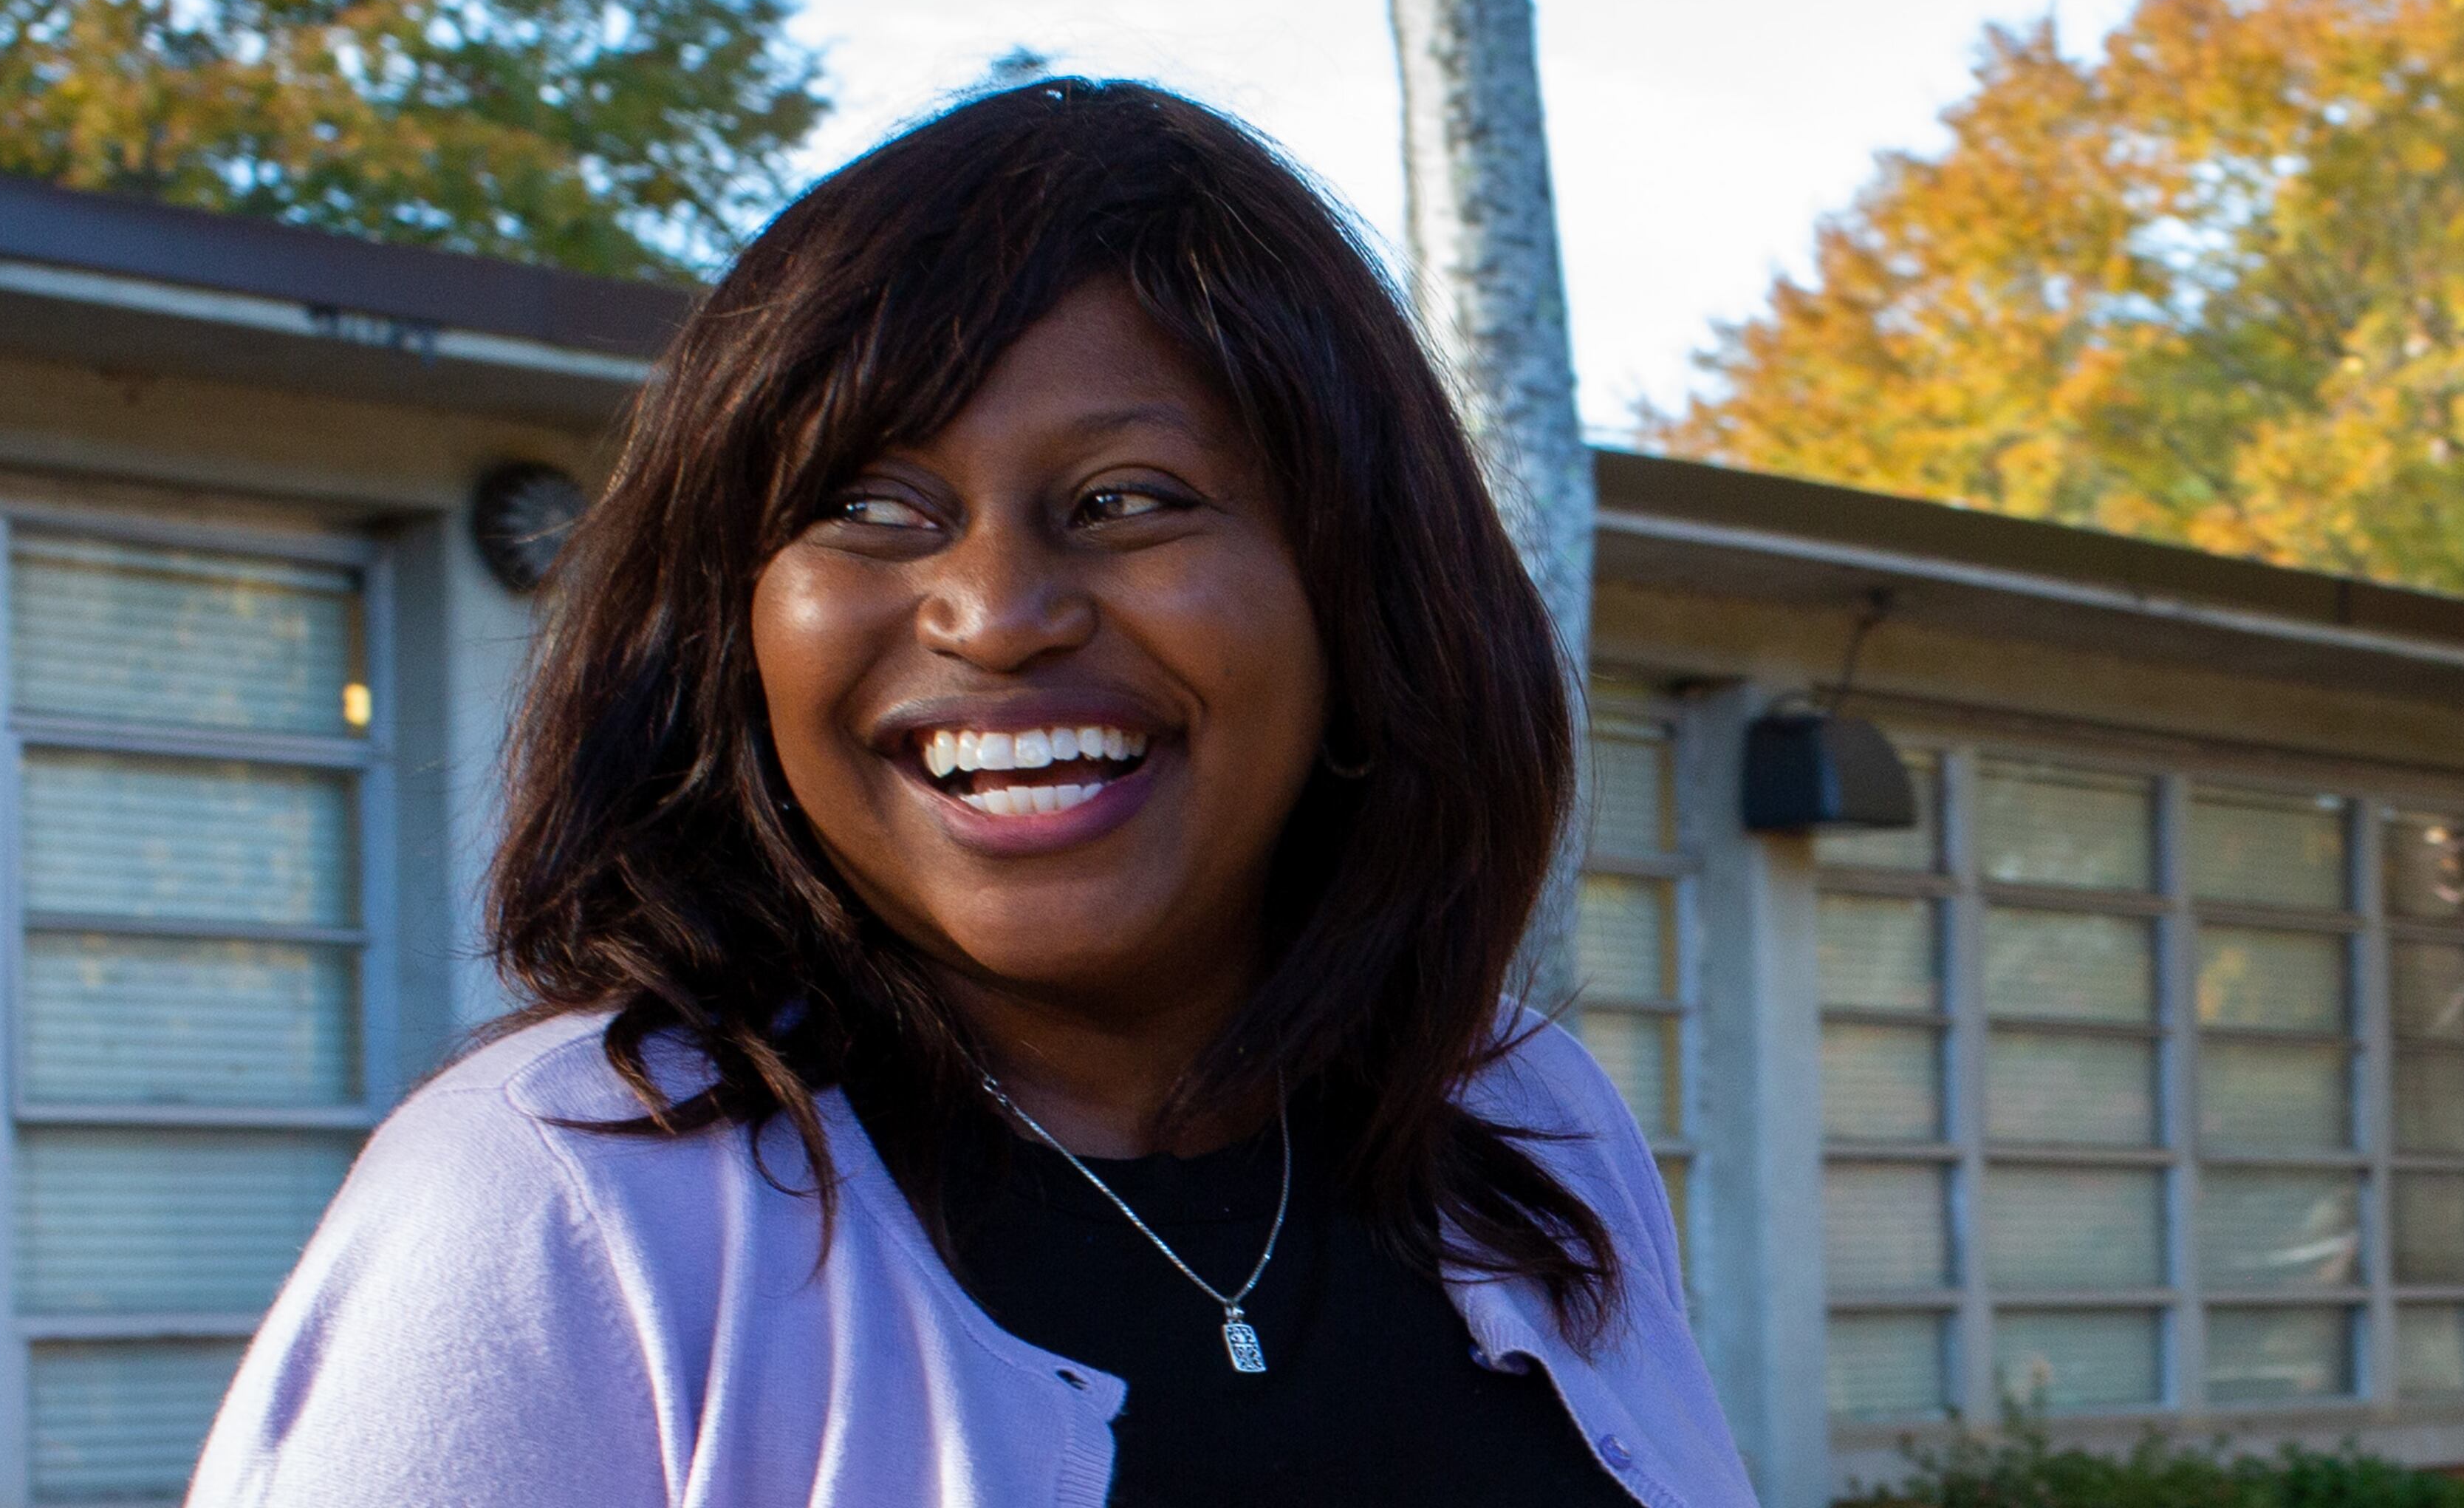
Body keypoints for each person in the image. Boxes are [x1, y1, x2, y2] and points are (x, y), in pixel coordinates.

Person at [187, 78, 1756, 1508]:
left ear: (1364, 598)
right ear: (728, 628)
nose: (997, 613)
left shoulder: (1524, 1123)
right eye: (871, 506)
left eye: (1127, 501)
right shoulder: (558, 1208)